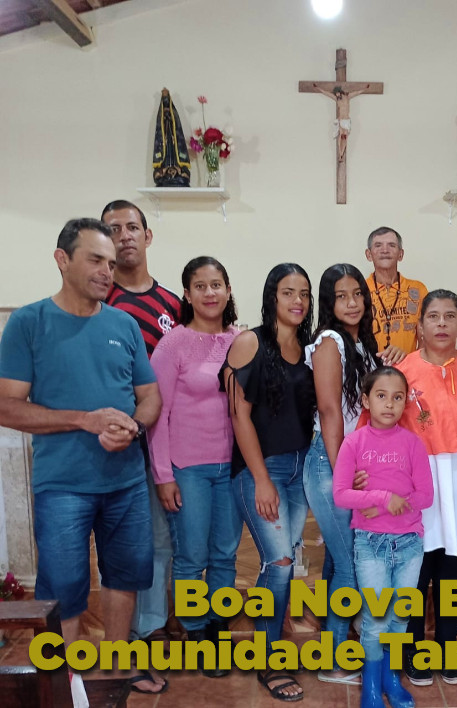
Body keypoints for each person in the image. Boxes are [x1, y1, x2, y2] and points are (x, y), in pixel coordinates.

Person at [0, 219, 165, 693]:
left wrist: (134, 427)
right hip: (62, 486)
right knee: (63, 586)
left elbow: (150, 396)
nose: (106, 272)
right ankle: (65, 683)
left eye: (111, 263)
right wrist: (84, 420)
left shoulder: (123, 324)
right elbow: (8, 406)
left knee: (125, 577)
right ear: (62, 259)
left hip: (126, 482)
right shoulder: (28, 323)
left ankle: (115, 667)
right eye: (95, 260)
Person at [354, 290, 457, 686]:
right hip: (413, 480)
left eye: (450, 316)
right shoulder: (400, 372)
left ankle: (446, 648)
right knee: (415, 569)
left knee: (455, 570)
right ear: (420, 325)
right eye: (433, 316)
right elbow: (373, 428)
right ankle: (413, 651)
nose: (441, 323)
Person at [220, 263, 315, 702]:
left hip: (300, 470)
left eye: (304, 293)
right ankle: (268, 660)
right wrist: (261, 479)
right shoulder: (250, 343)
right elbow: (239, 415)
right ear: (272, 296)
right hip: (262, 470)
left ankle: (271, 645)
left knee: (283, 565)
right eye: (288, 292)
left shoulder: (310, 348)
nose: (298, 300)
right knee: (278, 563)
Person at [147, 256, 241, 678]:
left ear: (228, 290)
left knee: (225, 555)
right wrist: (163, 475)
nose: (209, 293)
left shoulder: (240, 340)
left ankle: (218, 628)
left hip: (231, 469)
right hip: (188, 468)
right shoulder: (174, 344)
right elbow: (157, 414)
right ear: (187, 294)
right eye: (200, 286)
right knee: (191, 557)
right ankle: (196, 632)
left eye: (216, 284)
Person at [101, 200, 181, 659]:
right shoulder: (99, 302)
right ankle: (137, 632)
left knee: (166, 539)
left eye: (132, 227)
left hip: (168, 442)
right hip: (120, 443)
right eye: (114, 229)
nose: (124, 236)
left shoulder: (172, 303)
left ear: (147, 236)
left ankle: (158, 621)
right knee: (133, 540)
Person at [334, 367, 433, 708]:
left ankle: (392, 678)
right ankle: (371, 687)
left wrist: (394, 505)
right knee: (376, 620)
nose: (389, 404)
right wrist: (381, 498)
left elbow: (426, 496)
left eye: (397, 397)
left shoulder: (413, 444)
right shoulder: (354, 442)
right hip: (370, 544)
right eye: (381, 396)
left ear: (405, 403)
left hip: (409, 544)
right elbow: (341, 494)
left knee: (399, 617)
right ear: (366, 400)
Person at [302, 263, 379, 685]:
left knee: (337, 562)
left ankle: (333, 647)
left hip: (351, 462)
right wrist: (342, 475)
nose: (352, 303)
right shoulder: (329, 341)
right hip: (329, 462)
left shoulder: (360, 343)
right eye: (341, 296)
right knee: (351, 565)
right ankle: (333, 660)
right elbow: (331, 412)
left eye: (357, 294)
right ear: (328, 303)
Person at [365, 226, 428, 362]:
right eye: (378, 245)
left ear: (401, 254)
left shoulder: (417, 289)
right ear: (368, 254)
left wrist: (414, 363)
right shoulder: (360, 290)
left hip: (408, 367)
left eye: (391, 245)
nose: (385, 250)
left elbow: (425, 338)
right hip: (369, 368)